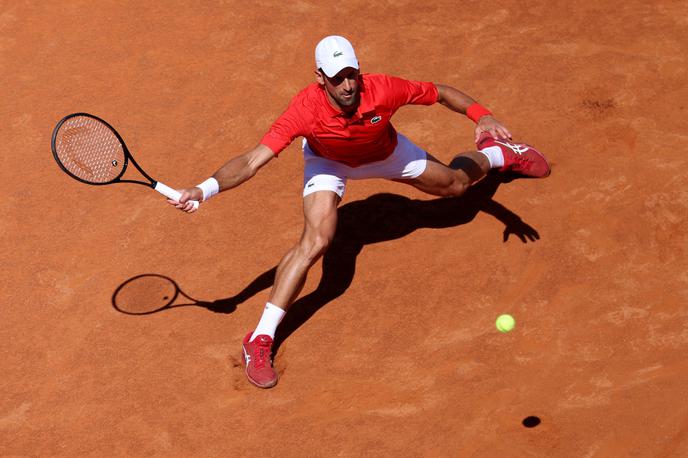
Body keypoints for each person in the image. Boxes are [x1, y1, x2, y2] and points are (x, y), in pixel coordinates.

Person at [169, 35, 551, 389]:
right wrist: (203, 190)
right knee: (316, 241)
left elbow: (439, 93)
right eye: (338, 79)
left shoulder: (382, 88)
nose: (348, 86)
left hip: (386, 153)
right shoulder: (304, 110)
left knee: (455, 187)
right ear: (321, 78)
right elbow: (252, 161)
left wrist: (481, 115)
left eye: (352, 74)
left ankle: (497, 152)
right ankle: (261, 337)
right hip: (328, 163)